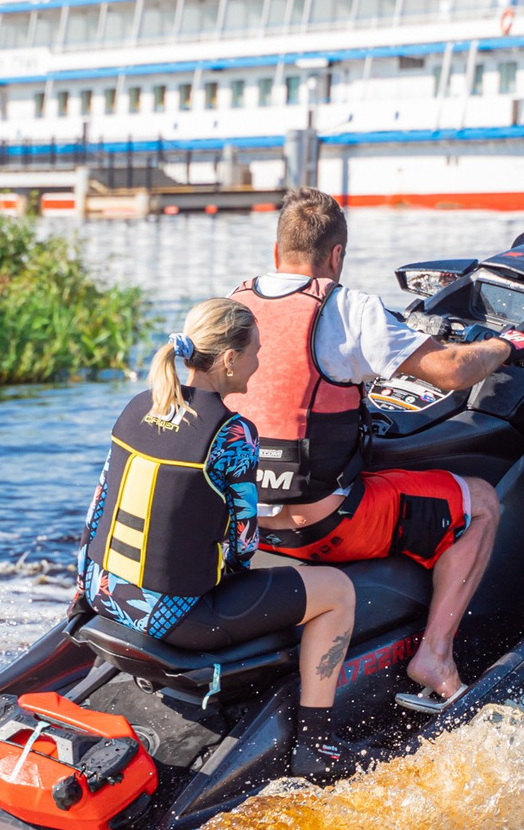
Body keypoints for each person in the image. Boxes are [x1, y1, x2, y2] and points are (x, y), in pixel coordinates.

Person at [228, 188, 523, 711]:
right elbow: (453, 371)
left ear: (277, 251)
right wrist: (508, 344)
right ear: (337, 255)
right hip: (322, 527)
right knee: (480, 502)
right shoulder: (348, 309)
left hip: (247, 524)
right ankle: (435, 655)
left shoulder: (232, 304)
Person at [78, 298, 360, 780]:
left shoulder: (138, 406)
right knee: (337, 592)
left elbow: (98, 509)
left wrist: (85, 592)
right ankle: (315, 744)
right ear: (229, 359)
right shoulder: (233, 433)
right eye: (255, 352)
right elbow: (244, 543)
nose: (258, 362)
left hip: (102, 592)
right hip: (176, 618)